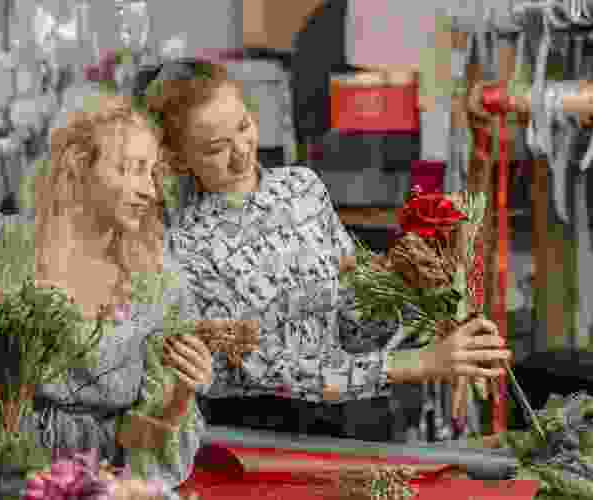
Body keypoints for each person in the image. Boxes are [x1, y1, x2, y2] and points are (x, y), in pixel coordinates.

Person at [134, 59, 512, 441]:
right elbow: (274, 371)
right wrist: (417, 363)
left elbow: (349, 321)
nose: (242, 151)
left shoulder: (302, 188)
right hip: (260, 439)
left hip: (356, 416)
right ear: (179, 159)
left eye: (244, 126)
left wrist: (403, 288)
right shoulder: (185, 246)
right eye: (216, 148)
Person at [0, 95, 213, 499]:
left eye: (152, 174)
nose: (150, 191)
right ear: (80, 166)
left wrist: (181, 396)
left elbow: (152, 434)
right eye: (133, 170)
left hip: (100, 478)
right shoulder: (0, 243)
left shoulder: (160, 280)